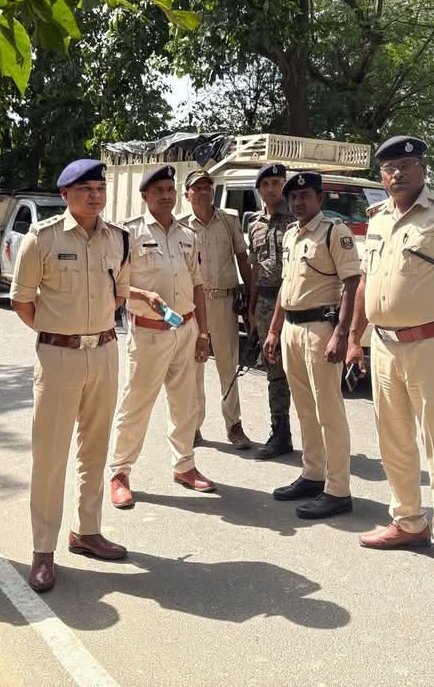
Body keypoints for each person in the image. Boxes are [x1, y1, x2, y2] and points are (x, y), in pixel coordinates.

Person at [347, 135, 434, 587]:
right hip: (383, 345)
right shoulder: (377, 219)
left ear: (423, 169)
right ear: (381, 175)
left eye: (406, 165)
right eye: (389, 167)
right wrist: (354, 340)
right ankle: (408, 521)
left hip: (433, 346)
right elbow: (365, 283)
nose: (398, 174)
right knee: (393, 439)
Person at [10, 159, 131, 594]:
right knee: (50, 457)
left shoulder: (119, 238)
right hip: (58, 356)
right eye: (85, 189)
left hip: (105, 351)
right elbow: (22, 301)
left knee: (95, 449)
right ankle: (43, 550)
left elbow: (120, 294)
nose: (95, 196)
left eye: (100, 188)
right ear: (65, 195)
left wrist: (90, 332)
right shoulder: (42, 238)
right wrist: (57, 333)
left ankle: (87, 531)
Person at [109, 164, 216, 508]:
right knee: (136, 405)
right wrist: (143, 296)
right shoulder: (128, 233)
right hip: (148, 333)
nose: (166, 196)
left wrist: (203, 332)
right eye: (159, 191)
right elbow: (114, 283)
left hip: (186, 329)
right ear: (145, 196)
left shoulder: (188, 234)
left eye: (170, 190)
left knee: (186, 403)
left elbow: (197, 284)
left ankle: (184, 465)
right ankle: (120, 473)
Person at [263, 171, 360, 519]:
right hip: (291, 327)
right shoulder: (292, 234)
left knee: (328, 410)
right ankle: (313, 473)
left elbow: (352, 283)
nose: (298, 202)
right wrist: (274, 330)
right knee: (304, 407)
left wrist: (342, 333)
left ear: (320, 198)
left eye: (305, 196)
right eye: (293, 197)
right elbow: (285, 285)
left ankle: (338, 489)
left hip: (321, 328)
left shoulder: (335, 232)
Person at [184, 168, 254, 450]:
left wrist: (250, 299)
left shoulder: (229, 221)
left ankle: (234, 425)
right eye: (197, 187)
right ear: (187, 194)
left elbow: (243, 259)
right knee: (193, 367)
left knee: (228, 365)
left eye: (207, 186)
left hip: (225, 301)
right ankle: (193, 426)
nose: (204, 191)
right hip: (193, 303)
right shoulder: (181, 225)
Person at [247, 163, 295, 459]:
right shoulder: (254, 224)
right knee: (274, 372)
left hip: (294, 303)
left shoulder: (297, 219)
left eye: (276, 183)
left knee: (302, 373)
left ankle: (320, 438)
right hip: (265, 303)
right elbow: (254, 269)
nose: (271, 188)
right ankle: (280, 432)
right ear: (259, 189)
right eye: (265, 184)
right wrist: (251, 308)